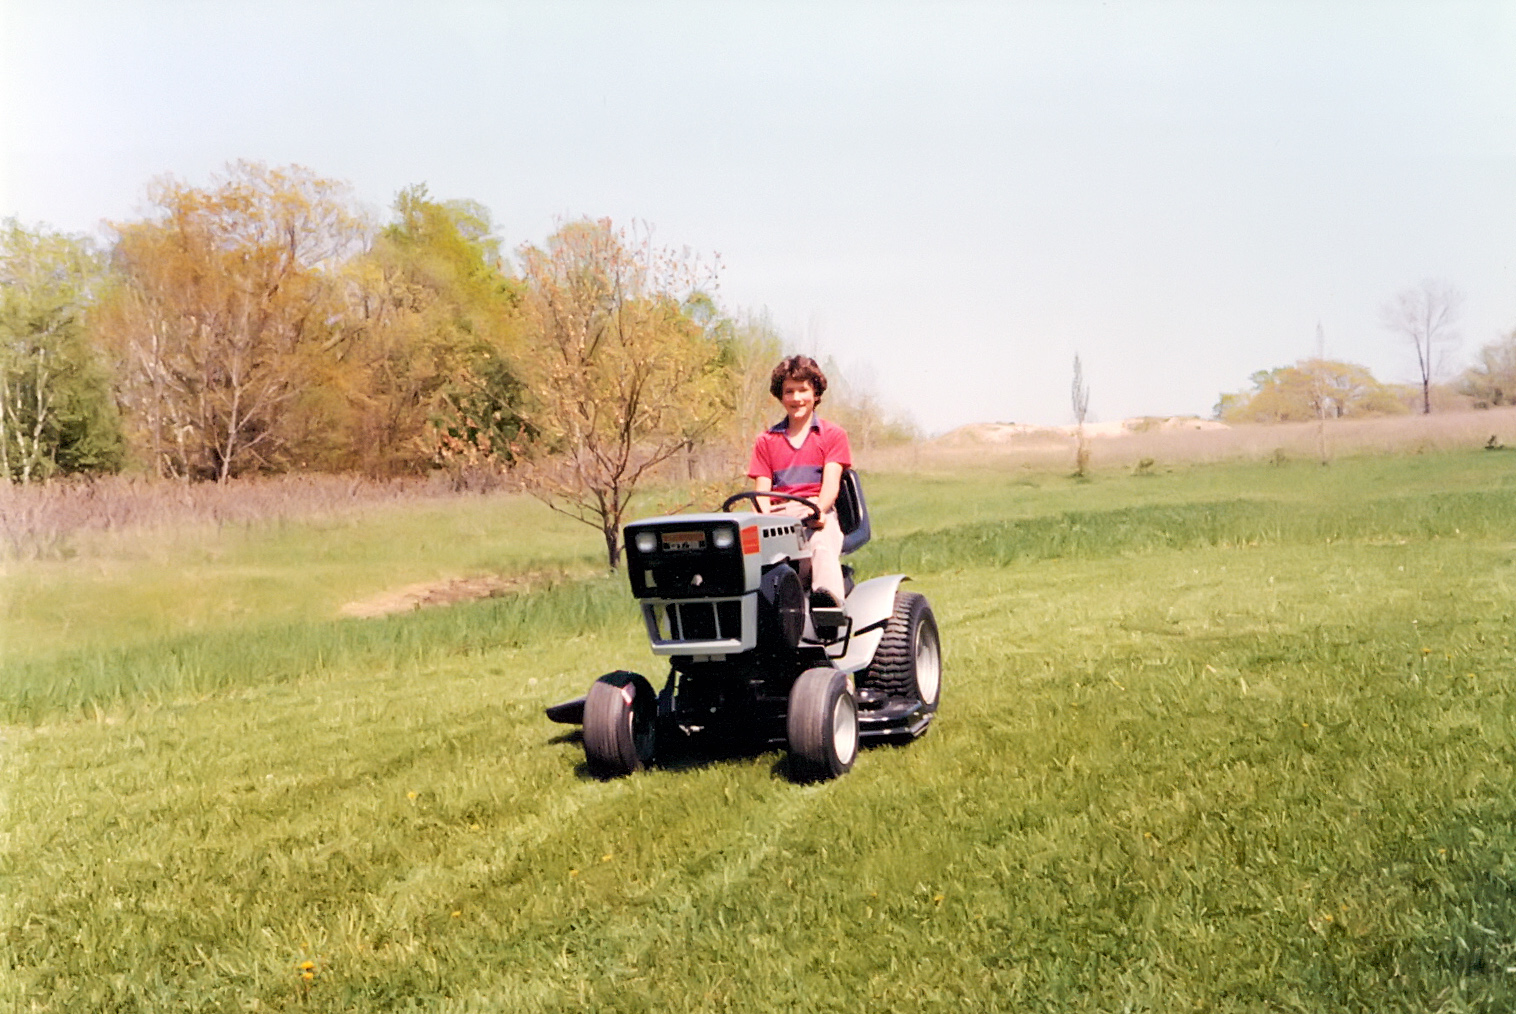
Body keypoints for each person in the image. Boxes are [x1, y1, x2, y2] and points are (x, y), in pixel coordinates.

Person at [746, 355, 853, 609]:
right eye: (789, 392)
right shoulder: (767, 440)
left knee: (820, 543)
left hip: (815, 510)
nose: (796, 398)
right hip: (778, 516)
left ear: (815, 392)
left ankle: (829, 605)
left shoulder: (832, 436)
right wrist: (760, 520)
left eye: (803, 390)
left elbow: (830, 486)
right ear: (780, 396)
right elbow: (761, 493)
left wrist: (818, 509)